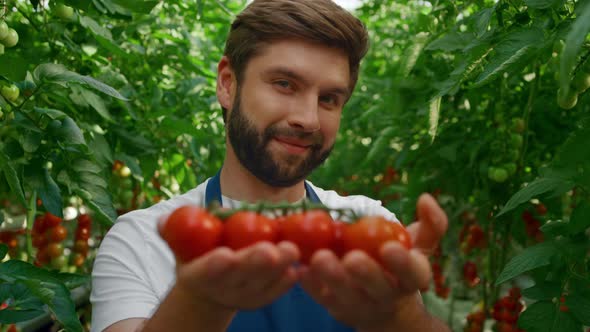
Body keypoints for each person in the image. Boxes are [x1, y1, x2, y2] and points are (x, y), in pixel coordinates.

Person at [90, 0, 450, 331]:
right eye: (284, 84)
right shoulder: (144, 240)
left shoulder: (369, 225)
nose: (308, 119)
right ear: (228, 85)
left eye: (329, 99)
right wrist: (201, 303)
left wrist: (401, 317)